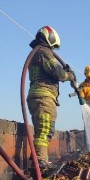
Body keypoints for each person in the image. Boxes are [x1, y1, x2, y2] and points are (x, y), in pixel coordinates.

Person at [26, 26, 77, 169]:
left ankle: (37, 159)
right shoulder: (44, 52)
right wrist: (70, 75)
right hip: (44, 96)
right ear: (49, 39)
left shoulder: (37, 52)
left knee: (42, 129)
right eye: (53, 46)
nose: (53, 50)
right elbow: (58, 73)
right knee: (45, 129)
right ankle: (41, 161)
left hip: (37, 95)